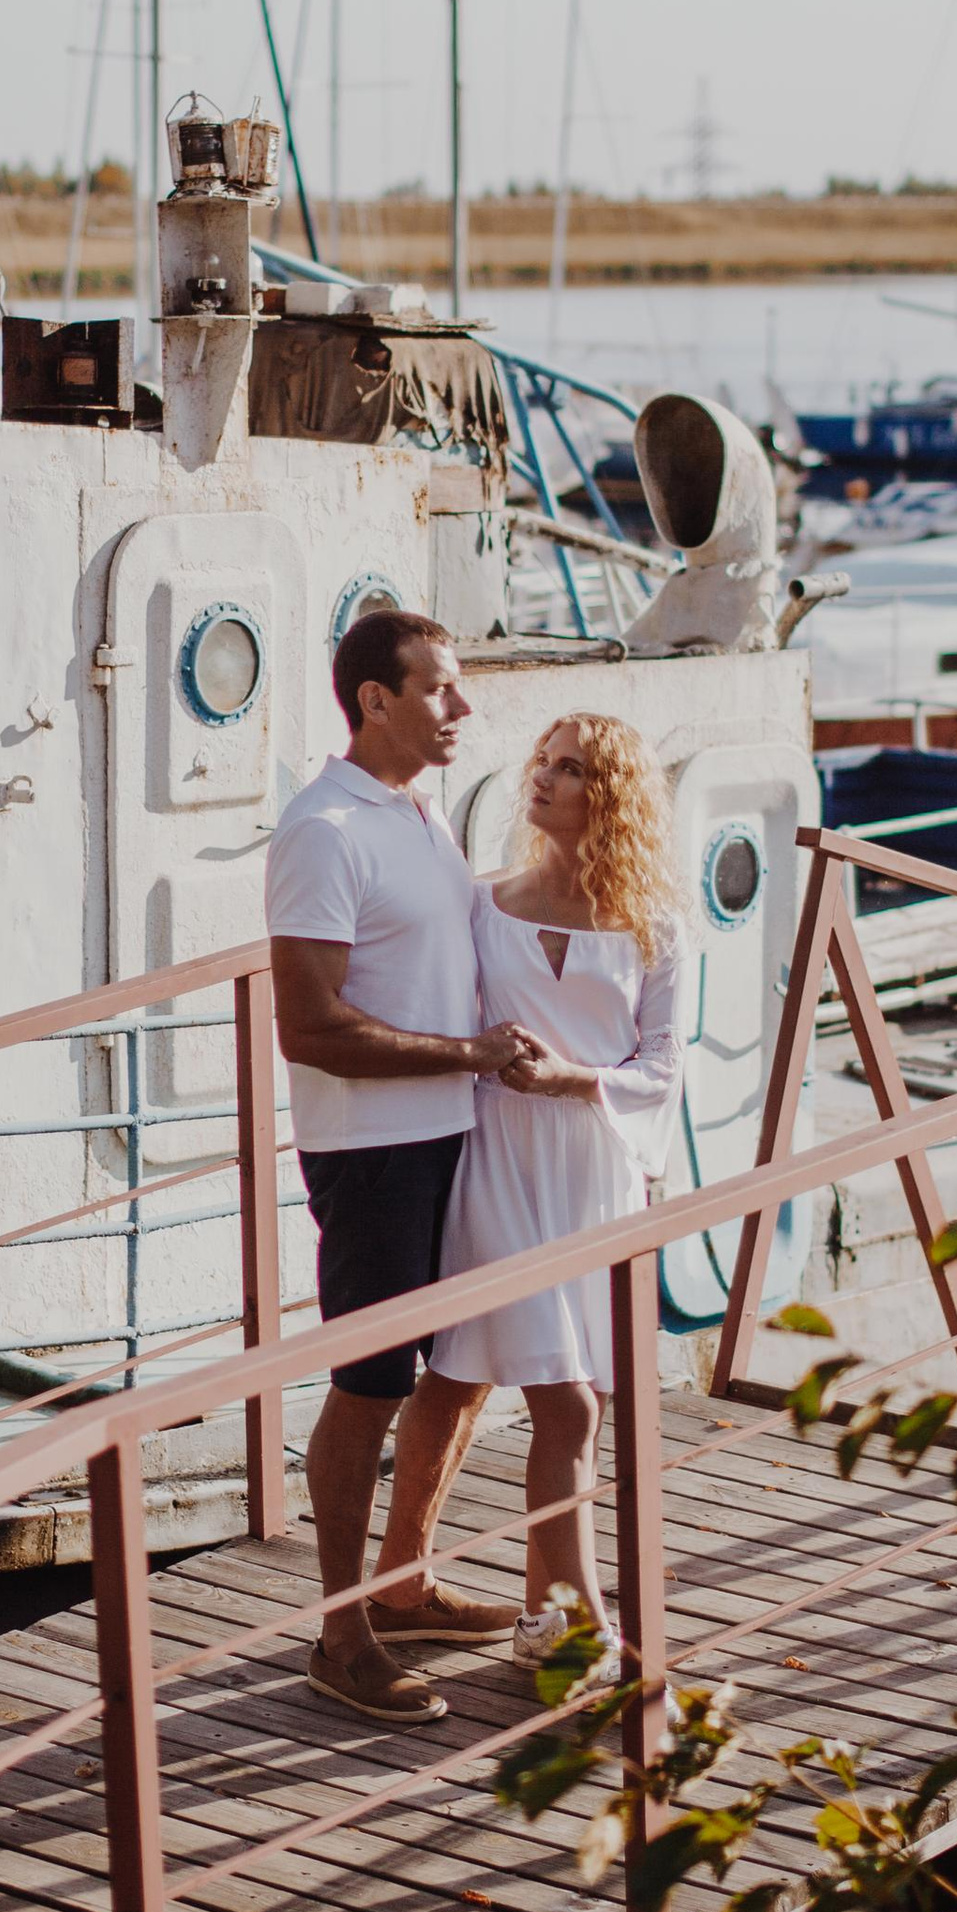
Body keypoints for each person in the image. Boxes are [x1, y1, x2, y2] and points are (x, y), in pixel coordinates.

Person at [266, 610, 540, 1724]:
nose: (460, 709)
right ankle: (342, 1637)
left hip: (450, 1132)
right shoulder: (324, 831)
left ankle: (408, 1578)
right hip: (372, 1151)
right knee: (368, 1386)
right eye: (438, 690)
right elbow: (309, 1027)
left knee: (463, 1364)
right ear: (373, 699)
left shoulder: (413, 811)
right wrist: (469, 1054)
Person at [426, 717, 685, 1688]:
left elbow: (661, 1070)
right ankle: (584, 1631)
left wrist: (572, 1077)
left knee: (574, 1405)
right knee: (569, 1410)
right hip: (497, 1157)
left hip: (595, 1169)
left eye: (571, 769)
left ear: (607, 797)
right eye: (543, 760)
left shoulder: (653, 928)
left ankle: (540, 1621)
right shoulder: (483, 907)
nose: (544, 778)